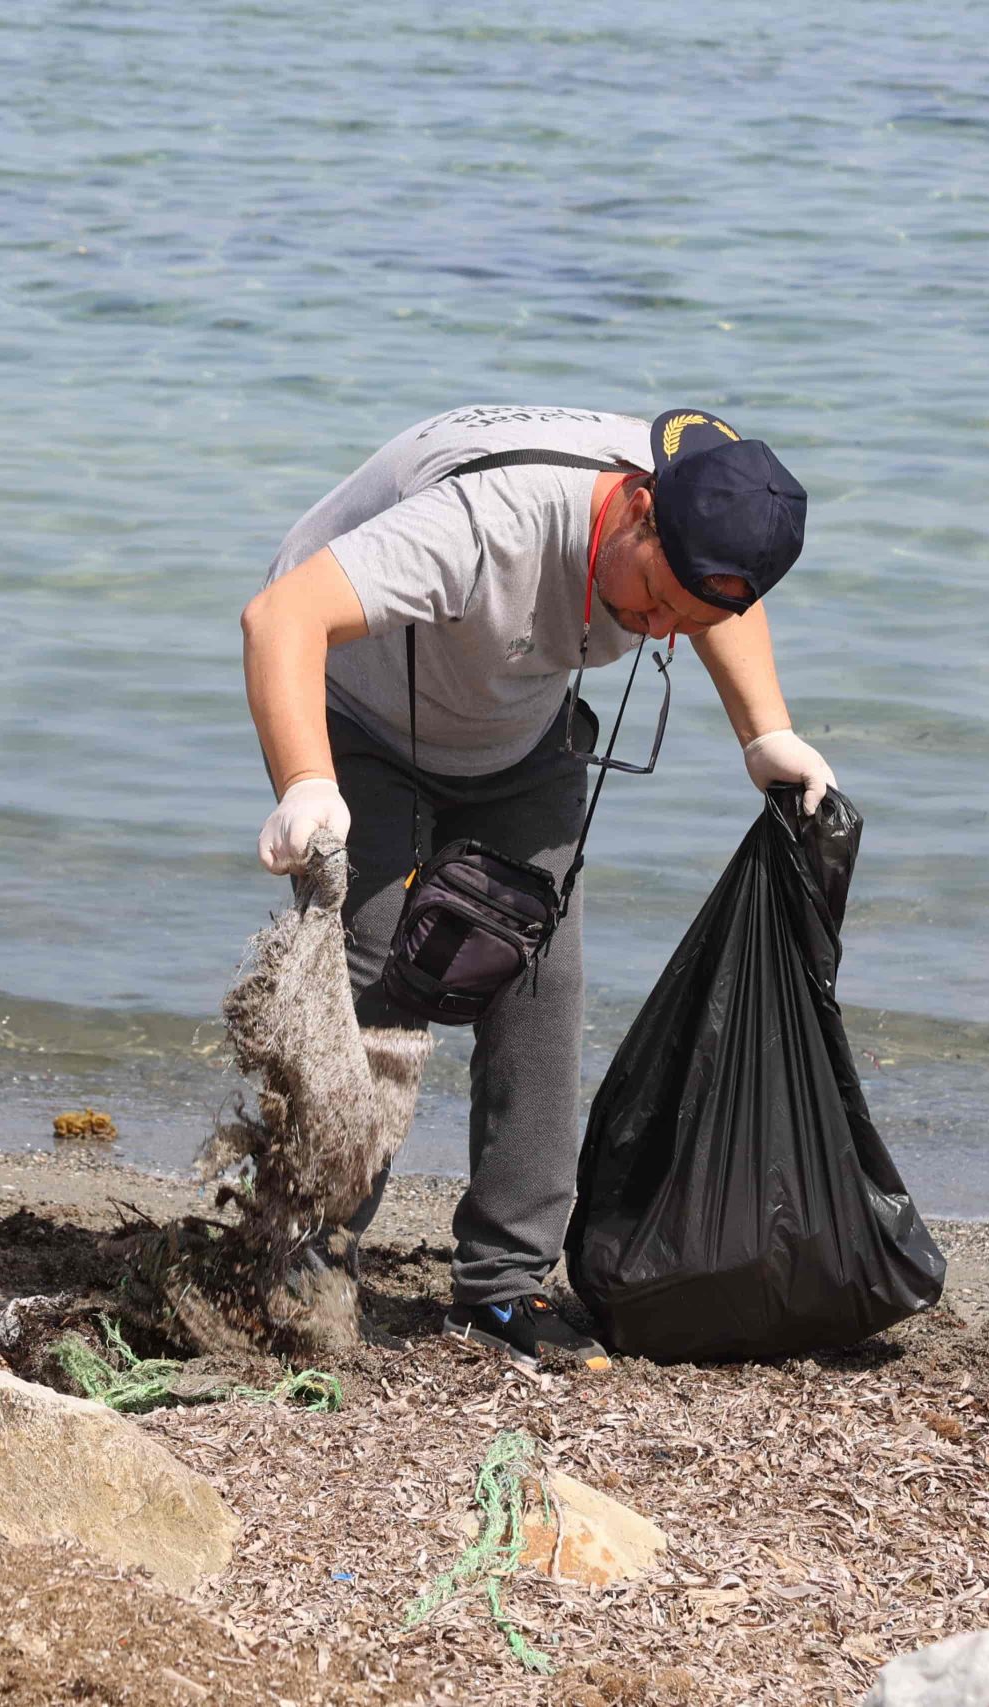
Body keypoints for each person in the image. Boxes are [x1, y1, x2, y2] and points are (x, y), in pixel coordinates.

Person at [240, 404, 831, 1373]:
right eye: (655, 601)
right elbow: (282, 617)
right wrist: (306, 783)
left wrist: (762, 733)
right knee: (383, 964)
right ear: (636, 507)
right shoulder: (491, 522)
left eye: (691, 620)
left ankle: (504, 1284)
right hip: (354, 704)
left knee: (538, 972)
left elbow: (724, 587)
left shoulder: (700, 527)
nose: (660, 632)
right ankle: (303, 1260)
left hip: (515, 730)